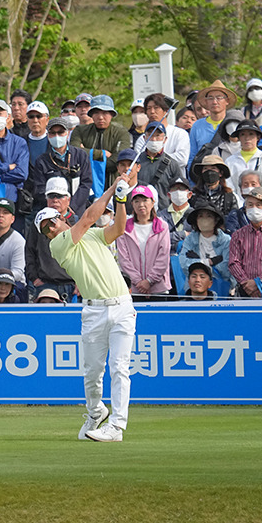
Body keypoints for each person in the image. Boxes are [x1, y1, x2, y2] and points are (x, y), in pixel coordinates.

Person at [37, 167, 138, 442]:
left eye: (51, 222)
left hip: (122, 308)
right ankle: (96, 412)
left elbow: (118, 228)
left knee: (120, 367)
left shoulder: (92, 235)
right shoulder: (59, 246)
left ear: (60, 218)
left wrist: (120, 199)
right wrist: (113, 188)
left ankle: (116, 426)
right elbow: (88, 217)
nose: (50, 228)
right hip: (93, 311)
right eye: (45, 228)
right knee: (93, 372)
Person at [25, 178, 79, 301]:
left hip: (71, 286)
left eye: (60, 196)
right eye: (51, 196)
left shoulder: (77, 222)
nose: (55, 200)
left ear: (68, 199)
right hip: (45, 285)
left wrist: (81, 282)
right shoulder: (38, 222)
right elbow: (29, 251)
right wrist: (34, 278)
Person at [114, 185, 171, 300]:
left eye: (145, 200)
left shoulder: (162, 226)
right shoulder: (124, 227)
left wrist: (149, 281)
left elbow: (163, 257)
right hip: (134, 288)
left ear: (152, 202)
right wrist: (138, 281)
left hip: (159, 287)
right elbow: (124, 259)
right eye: (137, 201)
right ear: (132, 204)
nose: (141, 205)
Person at [28, 114, 92, 215]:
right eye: (53, 133)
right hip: (51, 211)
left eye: (60, 132)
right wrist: (56, 204)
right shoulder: (42, 160)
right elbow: (40, 189)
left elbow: (86, 183)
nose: (57, 136)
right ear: (48, 135)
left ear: (67, 133)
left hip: (76, 211)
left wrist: (71, 206)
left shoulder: (80, 155)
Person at [72, 95, 129, 181]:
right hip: (85, 184)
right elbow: (73, 152)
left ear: (111, 114)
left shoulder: (121, 132)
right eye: (96, 113)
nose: (100, 117)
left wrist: (86, 156)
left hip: (113, 183)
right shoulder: (80, 131)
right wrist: (100, 153)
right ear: (91, 115)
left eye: (105, 113)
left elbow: (117, 162)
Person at [181, 204, 232, 296]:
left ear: (216, 220)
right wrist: (210, 262)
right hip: (194, 289)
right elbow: (184, 264)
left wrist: (198, 263)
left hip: (220, 287)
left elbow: (226, 270)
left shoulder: (226, 240)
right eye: (200, 216)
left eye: (209, 216)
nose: (204, 220)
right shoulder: (190, 239)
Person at [133, 122, 187, 205]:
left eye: (158, 136)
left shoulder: (172, 164)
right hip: (140, 209)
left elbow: (178, 189)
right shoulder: (135, 162)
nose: (154, 139)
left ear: (165, 139)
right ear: (144, 138)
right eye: (150, 135)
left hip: (163, 212)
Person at [188, 80, 238, 162]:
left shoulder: (233, 123)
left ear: (227, 101)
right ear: (206, 101)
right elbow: (192, 155)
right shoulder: (197, 126)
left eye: (219, 98)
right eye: (210, 98)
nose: (214, 102)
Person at [142, 94, 190, 167]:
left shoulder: (180, 134)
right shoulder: (142, 138)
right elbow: (141, 161)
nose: (152, 111)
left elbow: (182, 159)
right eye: (149, 108)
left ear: (166, 111)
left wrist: (155, 159)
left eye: (156, 108)